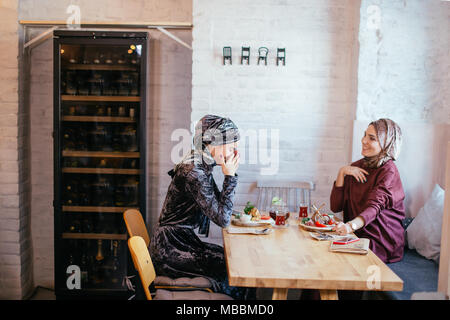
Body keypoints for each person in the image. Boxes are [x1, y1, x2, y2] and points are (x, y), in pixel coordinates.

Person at [149, 114, 250, 299]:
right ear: (215, 143)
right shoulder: (193, 172)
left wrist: (248, 218)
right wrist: (230, 177)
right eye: (232, 145)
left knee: (227, 258)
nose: (235, 151)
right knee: (229, 265)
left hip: (181, 241)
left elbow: (220, 206)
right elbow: (223, 219)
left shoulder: (201, 165)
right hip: (170, 249)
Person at [330, 118, 405, 264]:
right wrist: (342, 172)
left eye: (372, 138)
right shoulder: (356, 167)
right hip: (355, 234)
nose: (364, 141)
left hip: (381, 239)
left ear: (386, 143)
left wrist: (349, 226)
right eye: (365, 135)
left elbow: (374, 207)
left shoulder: (388, 171)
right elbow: (336, 207)